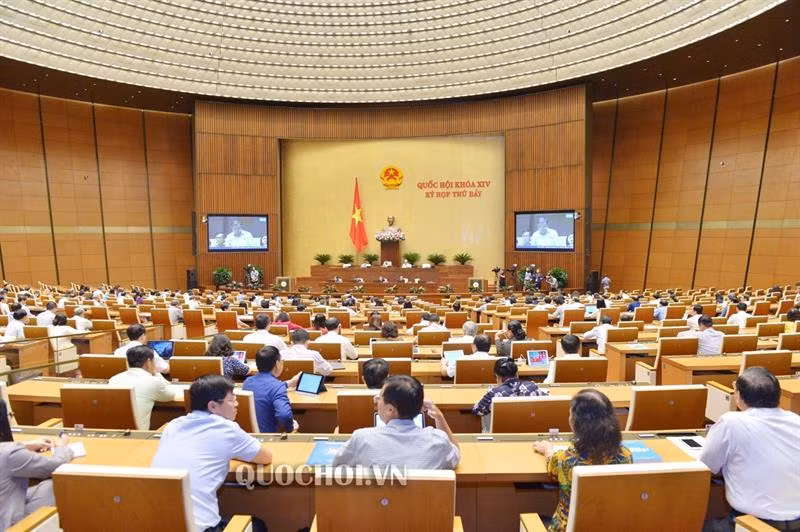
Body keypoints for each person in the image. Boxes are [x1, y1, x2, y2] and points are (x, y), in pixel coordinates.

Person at [152, 375, 272, 532]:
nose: (236, 404)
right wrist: (232, 451)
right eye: (231, 400)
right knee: (257, 526)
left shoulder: (173, 426)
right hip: (201, 528)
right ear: (213, 406)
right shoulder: (226, 429)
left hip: (159, 523)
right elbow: (265, 457)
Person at [700, 367, 800, 528]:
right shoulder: (795, 420)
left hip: (754, 524)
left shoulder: (731, 422)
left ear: (738, 395)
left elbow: (706, 466)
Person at [533, 389, 633, 532]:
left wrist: (548, 450)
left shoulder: (565, 460)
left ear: (576, 423)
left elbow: (552, 464)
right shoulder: (626, 456)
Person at [332, 375, 460, 469]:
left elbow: (336, 466)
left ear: (390, 409)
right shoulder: (438, 440)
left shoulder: (362, 439)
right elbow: (456, 454)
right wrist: (440, 417)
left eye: (380, 397)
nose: (376, 400)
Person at [0, 399, 74, 530]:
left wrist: (25, 445)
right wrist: (61, 446)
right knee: (53, 486)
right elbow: (56, 466)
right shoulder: (10, 454)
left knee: (44, 486)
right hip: (8, 527)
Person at [109, 345, 176, 430]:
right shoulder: (153, 381)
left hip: (115, 432)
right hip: (140, 435)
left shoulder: (114, 379)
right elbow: (171, 395)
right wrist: (156, 373)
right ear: (148, 362)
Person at [241, 346, 301, 434]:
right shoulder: (277, 387)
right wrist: (291, 427)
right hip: (268, 438)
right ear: (277, 364)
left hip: (249, 436)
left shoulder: (247, 382)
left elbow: (265, 387)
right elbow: (284, 415)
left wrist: (290, 383)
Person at [472, 357, 549, 421]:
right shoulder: (531, 386)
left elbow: (477, 410)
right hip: (529, 432)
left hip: (502, 436)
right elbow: (547, 399)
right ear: (516, 374)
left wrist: (488, 392)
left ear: (497, 376)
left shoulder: (494, 393)